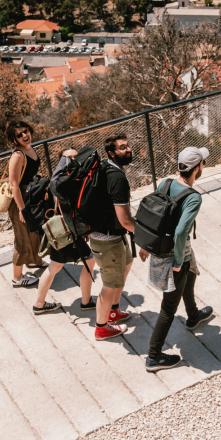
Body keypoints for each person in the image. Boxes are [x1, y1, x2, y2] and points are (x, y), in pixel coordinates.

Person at [139, 147, 215, 372]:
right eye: (203, 162)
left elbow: (152, 213)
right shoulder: (193, 198)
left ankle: (193, 317)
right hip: (175, 256)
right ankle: (153, 356)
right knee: (168, 308)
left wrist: (145, 245)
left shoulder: (165, 183)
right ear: (197, 168)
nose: (203, 165)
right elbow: (182, 232)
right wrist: (179, 261)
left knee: (190, 277)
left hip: (168, 249)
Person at [32, 149, 98, 315]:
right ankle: (86, 301)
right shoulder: (66, 179)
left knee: (56, 266)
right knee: (89, 261)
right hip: (68, 231)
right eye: (68, 157)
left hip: (61, 231)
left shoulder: (62, 178)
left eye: (75, 156)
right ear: (62, 160)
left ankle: (39, 303)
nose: (73, 159)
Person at [85, 135, 137, 341]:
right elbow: (125, 219)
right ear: (111, 153)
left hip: (114, 235)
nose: (129, 149)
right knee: (109, 284)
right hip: (108, 240)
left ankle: (114, 311)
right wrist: (144, 232)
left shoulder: (106, 167)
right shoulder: (117, 178)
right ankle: (101, 327)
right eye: (123, 147)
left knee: (126, 266)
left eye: (128, 145)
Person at [6, 120, 46, 288]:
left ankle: (35, 261)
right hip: (20, 200)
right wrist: (22, 209)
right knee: (22, 239)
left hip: (32, 197)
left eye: (26, 131)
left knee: (35, 232)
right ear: (14, 139)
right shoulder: (18, 155)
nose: (24, 135)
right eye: (19, 134)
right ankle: (17, 278)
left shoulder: (30, 149)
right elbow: (14, 184)